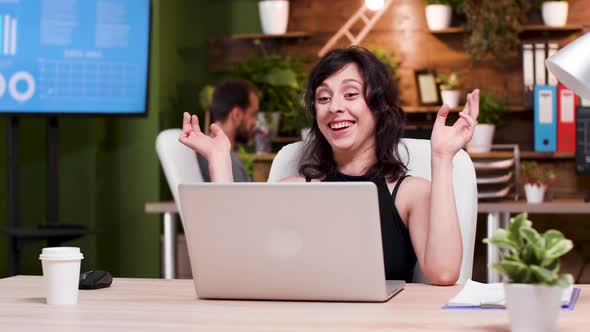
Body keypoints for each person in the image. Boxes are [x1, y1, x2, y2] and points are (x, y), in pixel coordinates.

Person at [179, 47, 479, 286]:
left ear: (380, 106)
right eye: (323, 97)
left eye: (350, 94)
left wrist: (441, 158)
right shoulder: (292, 190)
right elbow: (236, 263)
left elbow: (443, 273)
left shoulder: (410, 193)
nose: (335, 106)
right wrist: (219, 161)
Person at [196, 79, 260, 182]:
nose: (254, 123)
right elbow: (243, 198)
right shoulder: (225, 161)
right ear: (237, 115)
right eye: (252, 114)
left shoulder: (205, 155)